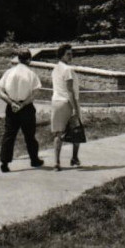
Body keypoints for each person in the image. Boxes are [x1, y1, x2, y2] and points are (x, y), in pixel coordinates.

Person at [0, 48, 44, 173]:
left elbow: (1, 92)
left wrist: (12, 103)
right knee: (30, 135)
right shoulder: (31, 74)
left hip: (11, 106)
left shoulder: (8, 72)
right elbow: (34, 93)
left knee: (9, 135)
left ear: (18, 59)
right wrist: (23, 105)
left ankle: (5, 162)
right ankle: (34, 159)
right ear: (29, 59)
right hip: (26, 107)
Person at [51, 43, 84, 171]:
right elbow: (70, 90)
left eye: (71, 53)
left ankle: (56, 162)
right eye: (68, 54)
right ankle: (74, 158)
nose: (71, 56)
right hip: (68, 102)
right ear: (62, 55)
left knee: (58, 133)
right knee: (77, 130)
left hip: (56, 102)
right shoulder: (68, 70)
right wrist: (75, 108)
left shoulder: (55, 69)